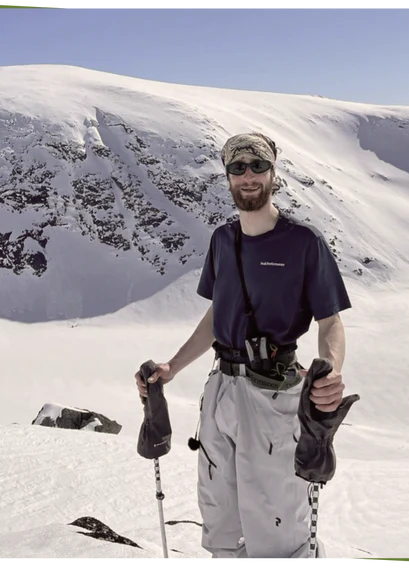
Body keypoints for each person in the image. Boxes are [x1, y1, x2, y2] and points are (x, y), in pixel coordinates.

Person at [135, 132, 351, 561]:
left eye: (257, 167)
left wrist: (329, 368)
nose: (247, 176)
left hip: (273, 394)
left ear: (273, 173)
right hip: (221, 391)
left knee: (278, 521)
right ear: (227, 176)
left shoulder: (303, 242)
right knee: (219, 517)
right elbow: (219, 315)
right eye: (237, 168)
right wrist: (172, 367)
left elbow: (331, 321)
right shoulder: (223, 240)